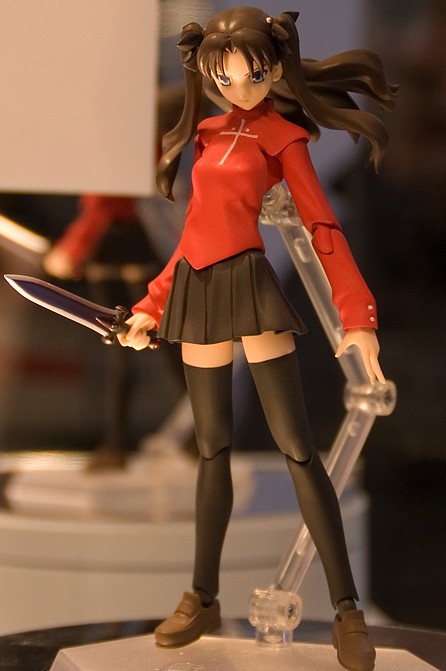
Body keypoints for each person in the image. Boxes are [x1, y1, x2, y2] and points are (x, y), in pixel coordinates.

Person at [118, 7, 397, 670]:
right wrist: (151, 305)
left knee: (298, 448)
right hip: (197, 289)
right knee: (210, 450)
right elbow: (194, 229)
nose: (239, 89)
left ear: (274, 68)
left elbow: (323, 226)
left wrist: (358, 317)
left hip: (248, 284)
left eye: (252, 75)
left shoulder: (282, 137)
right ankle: (202, 596)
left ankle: (347, 610)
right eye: (225, 78)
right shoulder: (207, 134)